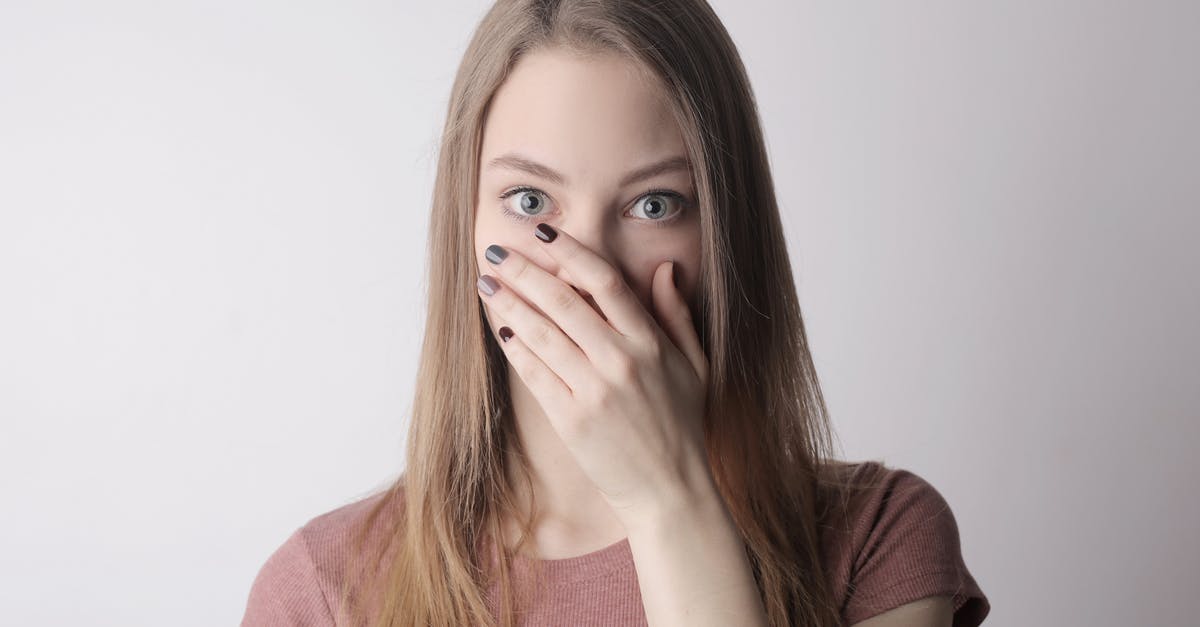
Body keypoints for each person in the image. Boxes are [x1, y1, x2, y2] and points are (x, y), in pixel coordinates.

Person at [241, 1, 990, 625]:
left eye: (652, 204)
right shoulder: (322, 590)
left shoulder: (881, 541)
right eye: (530, 202)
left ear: (726, 233)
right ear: (465, 227)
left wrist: (668, 502)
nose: (588, 267)